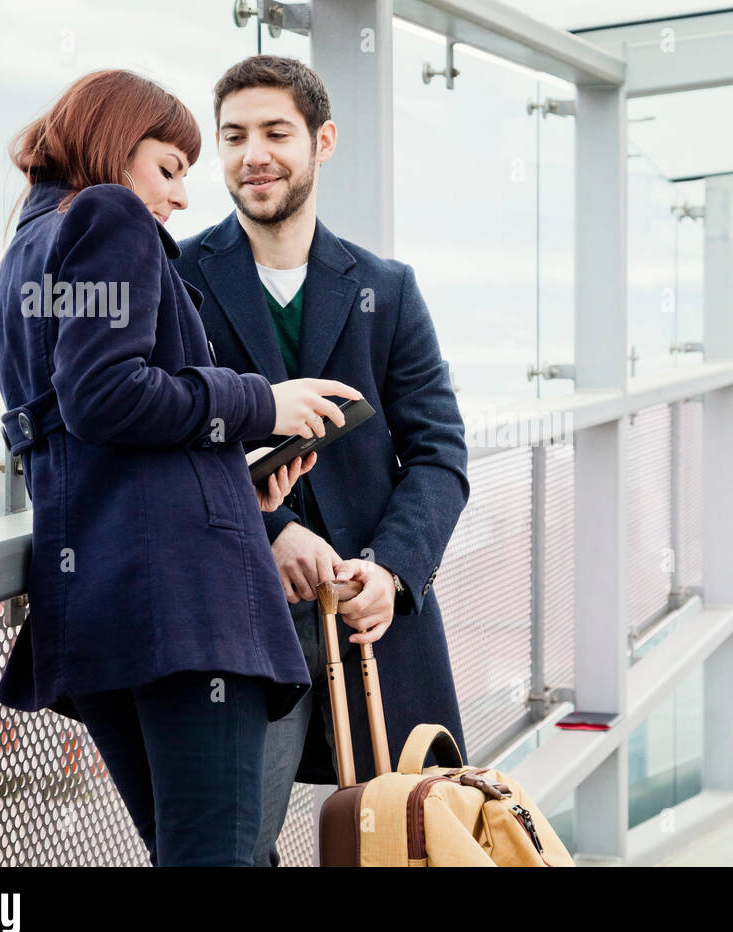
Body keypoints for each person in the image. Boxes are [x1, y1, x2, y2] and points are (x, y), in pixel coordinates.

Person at [0, 68, 362, 866]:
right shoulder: (108, 215)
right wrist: (261, 403)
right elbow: (106, 395)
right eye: (168, 166)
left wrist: (235, 476)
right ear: (114, 146)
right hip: (184, 611)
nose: (182, 198)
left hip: (99, 606)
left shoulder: (23, 250)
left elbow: (81, 427)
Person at [174, 55, 471, 866]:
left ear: (323, 140)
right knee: (235, 846)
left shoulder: (388, 288)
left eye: (275, 132)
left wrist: (393, 572)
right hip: (240, 614)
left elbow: (440, 453)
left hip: (374, 619)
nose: (251, 155)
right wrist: (266, 528)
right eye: (233, 137)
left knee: (410, 838)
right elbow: (162, 450)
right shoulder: (179, 280)